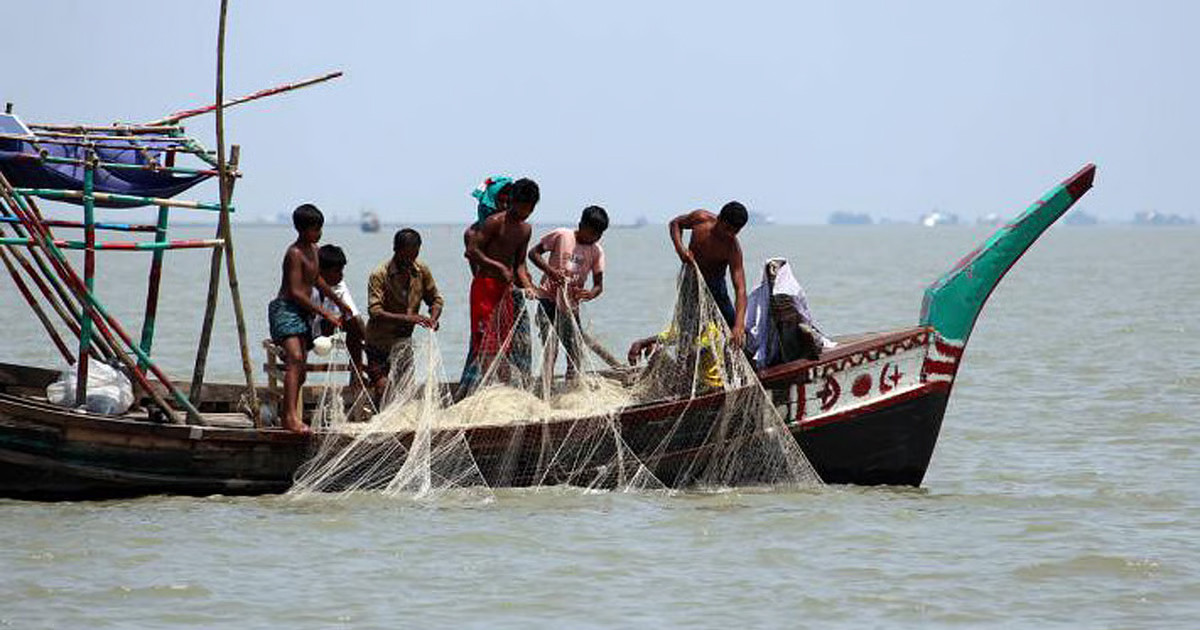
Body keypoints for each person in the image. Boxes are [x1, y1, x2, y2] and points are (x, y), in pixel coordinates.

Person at [268, 204, 353, 434]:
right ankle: (289, 418)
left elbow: (318, 281)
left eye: (320, 228)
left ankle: (290, 413)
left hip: (303, 313)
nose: (319, 233)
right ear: (302, 229)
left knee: (301, 369)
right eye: (315, 229)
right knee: (295, 358)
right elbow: (296, 291)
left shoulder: (315, 250)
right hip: (286, 309)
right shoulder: (294, 253)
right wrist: (325, 313)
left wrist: (339, 303)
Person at [460, 177, 539, 395]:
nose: (523, 212)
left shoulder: (525, 230)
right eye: (520, 207)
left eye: (528, 209)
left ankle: (504, 392)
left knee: (504, 344)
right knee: (485, 342)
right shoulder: (495, 222)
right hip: (485, 287)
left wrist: (528, 286)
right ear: (511, 201)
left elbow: (520, 264)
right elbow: (472, 251)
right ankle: (485, 391)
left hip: (506, 291)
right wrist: (498, 267)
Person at [528, 205, 608, 380]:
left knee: (575, 350)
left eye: (599, 234)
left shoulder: (596, 251)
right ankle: (546, 388)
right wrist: (550, 271)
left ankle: (572, 386)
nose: (595, 237)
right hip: (547, 299)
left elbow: (598, 285)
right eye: (592, 232)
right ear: (581, 225)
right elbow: (533, 254)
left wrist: (590, 294)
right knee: (551, 348)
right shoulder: (562, 235)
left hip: (570, 307)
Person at [364, 228, 444, 399]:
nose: (409, 261)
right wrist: (409, 318)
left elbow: (435, 300)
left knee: (406, 390)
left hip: (404, 343)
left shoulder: (421, 271)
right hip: (378, 343)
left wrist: (433, 319)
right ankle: (382, 421)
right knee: (383, 388)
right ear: (395, 250)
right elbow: (375, 311)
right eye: (405, 256)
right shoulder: (379, 275)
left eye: (413, 256)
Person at [668, 201, 750, 347]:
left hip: (716, 286)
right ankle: (687, 362)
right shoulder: (700, 219)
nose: (729, 234)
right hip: (691, 281)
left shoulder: (733, 249)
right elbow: (675, 224)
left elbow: (740, 289)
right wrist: (681, 250)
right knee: (689, 330)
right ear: (719, 219)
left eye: (735, 232)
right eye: (727, 229)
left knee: (731, 328)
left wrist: (739, 325)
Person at [311, 245, 367, 382]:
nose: (341, 275)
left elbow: (352, 313)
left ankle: (357, 374)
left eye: (342, 271)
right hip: (306, 329)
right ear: (321, 271)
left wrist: (369, 342)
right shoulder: (307, 285)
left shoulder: (339, 284)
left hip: (326, 327)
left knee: (355, 323)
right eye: (336, 271)